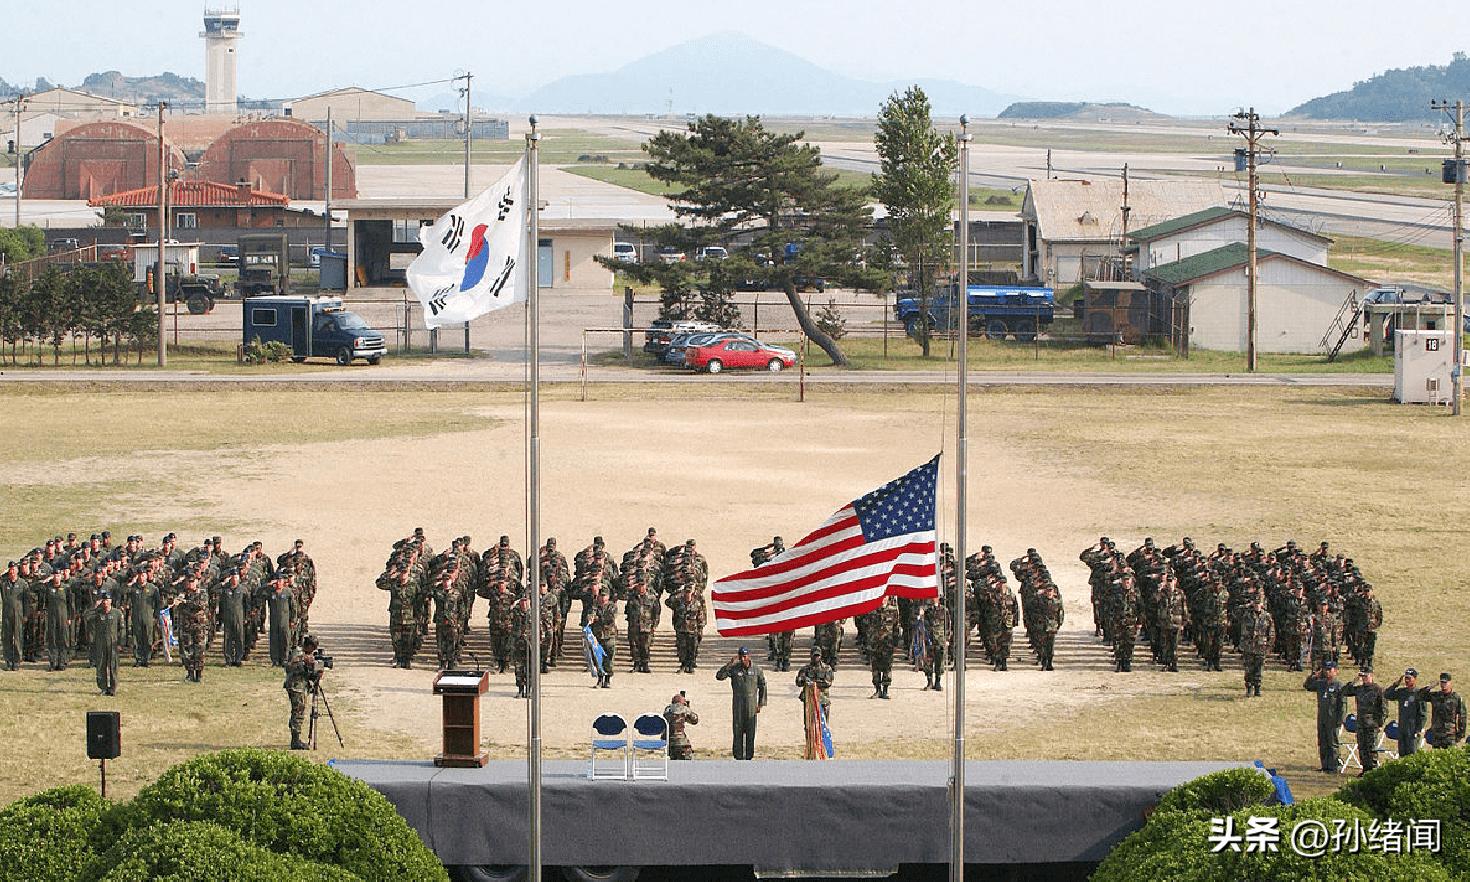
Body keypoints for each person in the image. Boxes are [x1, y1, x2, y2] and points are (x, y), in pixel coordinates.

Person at [716, 647, 767, 760]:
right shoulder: (734, 669)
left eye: (745, 656)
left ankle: (749, 756)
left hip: (751, 703)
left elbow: (763, 686)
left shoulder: (757, 670)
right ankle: (738, 755)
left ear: (749, 656)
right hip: (738, 702)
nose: (743, 659)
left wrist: (760, 704)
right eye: (741, 657)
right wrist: (729, 664)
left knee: (751, 730)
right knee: (737, 729)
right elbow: (719, 676)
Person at [1304, 661, 1346, 773]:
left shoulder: (1339, 686)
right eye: (1325, 669)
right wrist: (1314, 675)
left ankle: (1334, 766)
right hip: (1322, 717)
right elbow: (1307, 686)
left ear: (1335, 671)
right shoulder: (1321, 684)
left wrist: (1340, 720)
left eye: (1329, 670)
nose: (1327, 672)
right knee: (1323, 742)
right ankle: (1325, 766)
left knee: (1332, 743)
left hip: (1333, 718)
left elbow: (1342, 705)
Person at [1341, 670, 1385, 773]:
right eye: (1363, 677)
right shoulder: (1359, 689)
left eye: (1366, 676)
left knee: (1371, 748)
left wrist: (1379, 723)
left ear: (1371, 675)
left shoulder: (1378, 690)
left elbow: (1383, 708)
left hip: (1372, 723)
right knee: (1362, 747)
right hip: (1361, 722)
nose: (1364, 678)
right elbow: (1344, 691)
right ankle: (1365, 769)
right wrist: (1355, 681)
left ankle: (1372, 771)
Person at [283, 634, 321, 750]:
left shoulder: (306, 654)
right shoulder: (298, 653)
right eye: (312, 648)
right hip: (295, 686)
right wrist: (303, 659)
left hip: (301, 686)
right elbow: (289, 666)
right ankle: (295, 740)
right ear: (309, 646)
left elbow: (307, 671)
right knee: (298, 711)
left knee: (298, 711)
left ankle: (296, 737)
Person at [795, 647, 834, 758]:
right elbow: (798, 682)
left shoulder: (827, 668)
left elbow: (827, 683)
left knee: (822, 727)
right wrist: (803, 679)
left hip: (823, 702)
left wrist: (812, 683)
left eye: (818, 656)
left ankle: (823, 751)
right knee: (808, 727)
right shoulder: (805, 669)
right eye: (814, 656)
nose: (816, 658)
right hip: (809, 703)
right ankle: (810, 750)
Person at [1384, 668, 1427, 756]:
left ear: (1415, 679)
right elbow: (1387, 695)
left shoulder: (1419, 694)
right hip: (1402, 728)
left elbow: (1423, 714)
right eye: (1406, 678)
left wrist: (1418, 730)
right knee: (1402, 754)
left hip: (1412, 730)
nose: (1407, 680)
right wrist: (1395, 684)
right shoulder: (1402, 692)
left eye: (1409, 678)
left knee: (1412, 755)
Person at [1417, 672, 1466, 749]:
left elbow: (1462, 717)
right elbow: (1419, 696)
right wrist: (1430, 686)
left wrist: (1460, 735)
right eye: (1442, 682)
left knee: (1450, 755)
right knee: (1436, 756)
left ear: (1450, 683)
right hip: (1436, 736)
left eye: (1445, 682)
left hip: (1450, 736)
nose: (1443, 685)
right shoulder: (1435, 696)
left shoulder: (1456, 698)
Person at [88, 593, 124, 696]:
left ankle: (113, 688)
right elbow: (87, 617)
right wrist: (95, 607)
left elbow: (122, 629)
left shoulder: (117, 613)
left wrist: (120, 643)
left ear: (111, 601)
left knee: (113, 666)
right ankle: (103, 688)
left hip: (113, 643)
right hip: (101, 643)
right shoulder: (98, 613)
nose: (105, 602)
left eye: (107, 600)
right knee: (101, 665)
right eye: (103, 600)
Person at [1239, 599, 1275, 698]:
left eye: (1259, 603)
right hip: (1249, 646)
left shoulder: (1267, 616)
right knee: (1248, 669)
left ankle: (1257, 688)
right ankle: (1249, 688)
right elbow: (1236, 612)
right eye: (1255, 603)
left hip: (1261, 646)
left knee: (1259, 668)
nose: (1257, 605)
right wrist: (1247, 606)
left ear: (1262, 604)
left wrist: (1269, 646)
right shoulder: (1246, 615)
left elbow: (1271, 632)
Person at [266, 573, 297, 667]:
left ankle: (284, 659)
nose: (278, 583)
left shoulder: (288, 592)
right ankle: (275, 660)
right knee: (274, 640)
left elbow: (293, 607)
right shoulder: (271, 592)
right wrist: (268, 585)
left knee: (285, 640)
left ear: (283, 582)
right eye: (277, 581)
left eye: (280, 581)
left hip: (285, 621)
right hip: (274, 621)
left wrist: (293, 620)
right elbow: (259, 593)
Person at [0, 561, 24, 670]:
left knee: (18, 638)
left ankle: (17, 661)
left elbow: (26, 600)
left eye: (14, 569)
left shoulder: (22, 583)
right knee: (7, 638)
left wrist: (25, 615)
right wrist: (3, 573)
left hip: (18, 614)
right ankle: (8, 661)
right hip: (6, 614)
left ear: (17, 571)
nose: (12, 572)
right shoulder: (4, 583)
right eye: (10, 570)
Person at [662, 692, 699, 760]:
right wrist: (688, 708)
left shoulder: (667, 709)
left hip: (669, 741)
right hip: (682, 742)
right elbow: (694, 721)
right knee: (688, 759)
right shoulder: (685, 709)